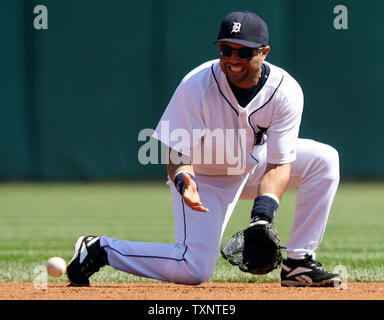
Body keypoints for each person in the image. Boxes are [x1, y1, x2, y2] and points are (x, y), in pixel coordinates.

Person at [66, 11, 341, 287]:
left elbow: (279, 164)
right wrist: (184, 180)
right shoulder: (197, 84)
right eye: (226, 49)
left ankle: (298, 263)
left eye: (243, 51)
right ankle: (100, 249)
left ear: (264, 52)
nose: (233, 58)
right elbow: (176, 154)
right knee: (193, 269)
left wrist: (262, 217)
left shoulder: (285, 91)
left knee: (324, 160)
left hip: (254, 167)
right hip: (206, 179)